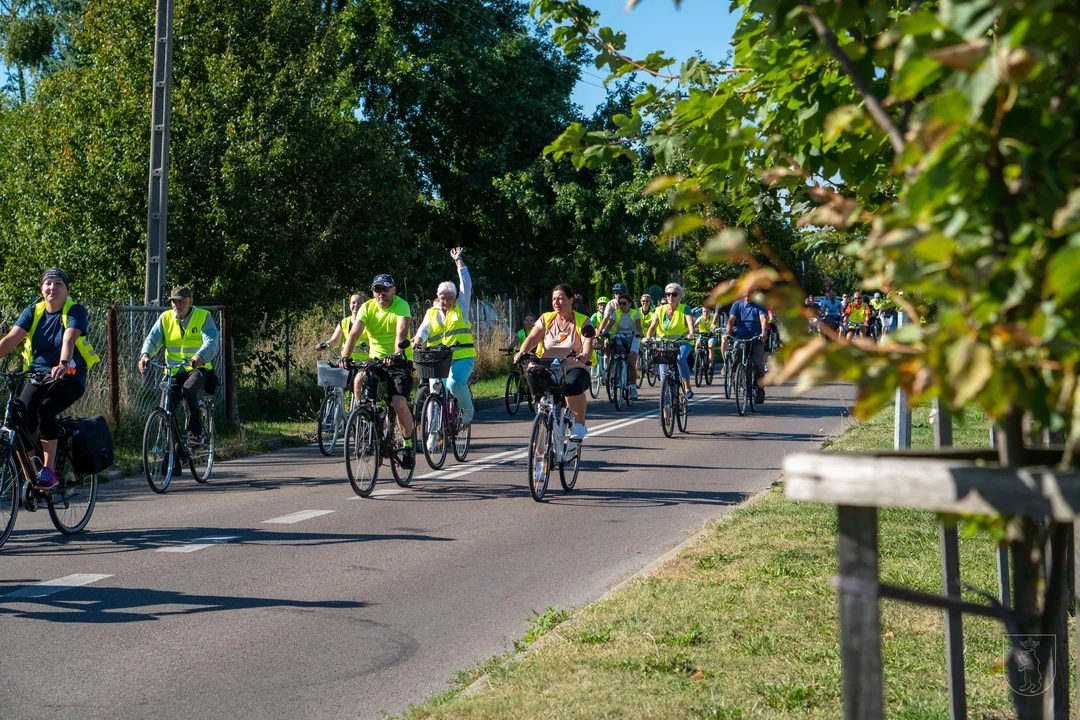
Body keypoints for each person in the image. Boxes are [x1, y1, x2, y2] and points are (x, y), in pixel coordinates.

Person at [0, 269, 99, 490]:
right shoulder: (33, 311)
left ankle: (49, 470)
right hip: (37, 375)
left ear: (66, 289)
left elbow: (68, 340)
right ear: (41, 289)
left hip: (69, 377)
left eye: (58, 284)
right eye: (48, 284)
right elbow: (11, 339)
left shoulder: (75, 311)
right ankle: (30, 477)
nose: (52, 288)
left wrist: (63, 364)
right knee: (19, 417)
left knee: (46, 409)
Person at [341, 273, 415, 468]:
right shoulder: (367, 307)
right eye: (377, 289)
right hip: (376, 361)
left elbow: (402, 332)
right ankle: (366, 422)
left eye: (385, 289)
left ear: (393, 290)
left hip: (398, 361)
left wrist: (397, 353)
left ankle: (408, 444)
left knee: (399, 403)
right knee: (358, 380)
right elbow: (354, 334)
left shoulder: (401, 305)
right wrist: (344, 357)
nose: (381, 293)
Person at [139, 286, 218, 447]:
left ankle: (194, 433)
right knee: (166, 409)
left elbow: (211, 342)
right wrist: (145, 354)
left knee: (188, 391)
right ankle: (172, 456)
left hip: (198, 368)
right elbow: (153, 339)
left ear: (190, 301)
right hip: (173, 370)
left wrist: (199, 357)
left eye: (180, 301)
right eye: (173, 301)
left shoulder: (203, 317)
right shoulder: (165, 318)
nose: (176, 305)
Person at [515, 284, 594, 440]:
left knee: (572, 386)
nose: (556, 302)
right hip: (547, 365)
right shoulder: (546, 318)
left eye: (560, 299)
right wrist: (522, 351)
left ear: (571, 300)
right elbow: (532, 338)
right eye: (554, 299)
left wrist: (585, 355)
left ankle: (579, 424)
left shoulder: (583, 320)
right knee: (538, 391)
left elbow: (587, 342)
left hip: (573, 365)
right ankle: (540, 451)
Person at [413, 247, 476, 425]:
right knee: (434, 392)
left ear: (456, 298)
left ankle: (468, 408)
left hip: (461, 357)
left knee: (453, 384)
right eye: (442, 297)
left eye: (450, 297)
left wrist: (458, 260)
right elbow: (423, 330)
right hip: (438, 359)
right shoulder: (431, 312)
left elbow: (466, 283)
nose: (446, 301)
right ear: (437, 296)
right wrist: (417, 341)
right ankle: (432, 433)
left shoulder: (461, 308)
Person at [645, 283, 696, 400]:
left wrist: (691, 333)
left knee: (680, 359)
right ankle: (665, 414)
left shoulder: (685, 308)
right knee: (664, 377)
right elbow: (653, 327)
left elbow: (690, 323)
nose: (670, 297)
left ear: (680, 296)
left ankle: (687, 386)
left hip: (682, 341)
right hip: (664, 343)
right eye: (668, 294)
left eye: (674, 294)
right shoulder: (659, 310)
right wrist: (648, 337)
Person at [721, 289, 768, 404]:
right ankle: (735, 375)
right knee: (736, 352)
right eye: (745, 293)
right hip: (741, 336)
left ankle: (760, 388)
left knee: (758, 363)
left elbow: (763, 319)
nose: (747, 296)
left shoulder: (759, 305)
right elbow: (731, 320)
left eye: (750, 293)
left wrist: (763, 332)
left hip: (756, 337)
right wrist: (728, 334)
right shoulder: (737, 304)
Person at [597, 292, 644, 399]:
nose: (621, 305)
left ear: (629, 304)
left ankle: (632, 387)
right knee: (616, 356)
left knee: (631, 361)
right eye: (620, 303)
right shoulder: (616, 313)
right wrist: (604, 332)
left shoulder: (634, 313)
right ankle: (615, 375)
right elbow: (609, 325)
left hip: (633, 337)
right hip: (619, 336)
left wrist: (640, 334)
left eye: (624, 303)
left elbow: (638, 327)